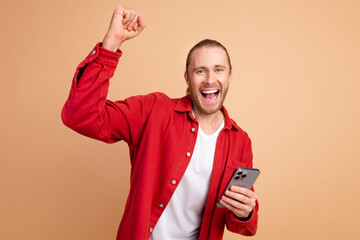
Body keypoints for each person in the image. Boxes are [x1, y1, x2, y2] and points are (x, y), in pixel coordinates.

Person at [62, 5, 258, 240]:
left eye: (219, 69)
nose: (210, 79)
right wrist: (111, 43)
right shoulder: (153, 110)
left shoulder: (240, 141)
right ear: (187, 77)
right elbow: (79, 115)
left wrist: (245, 213)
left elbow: (241, 225)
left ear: (229, 76)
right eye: (200, 71)